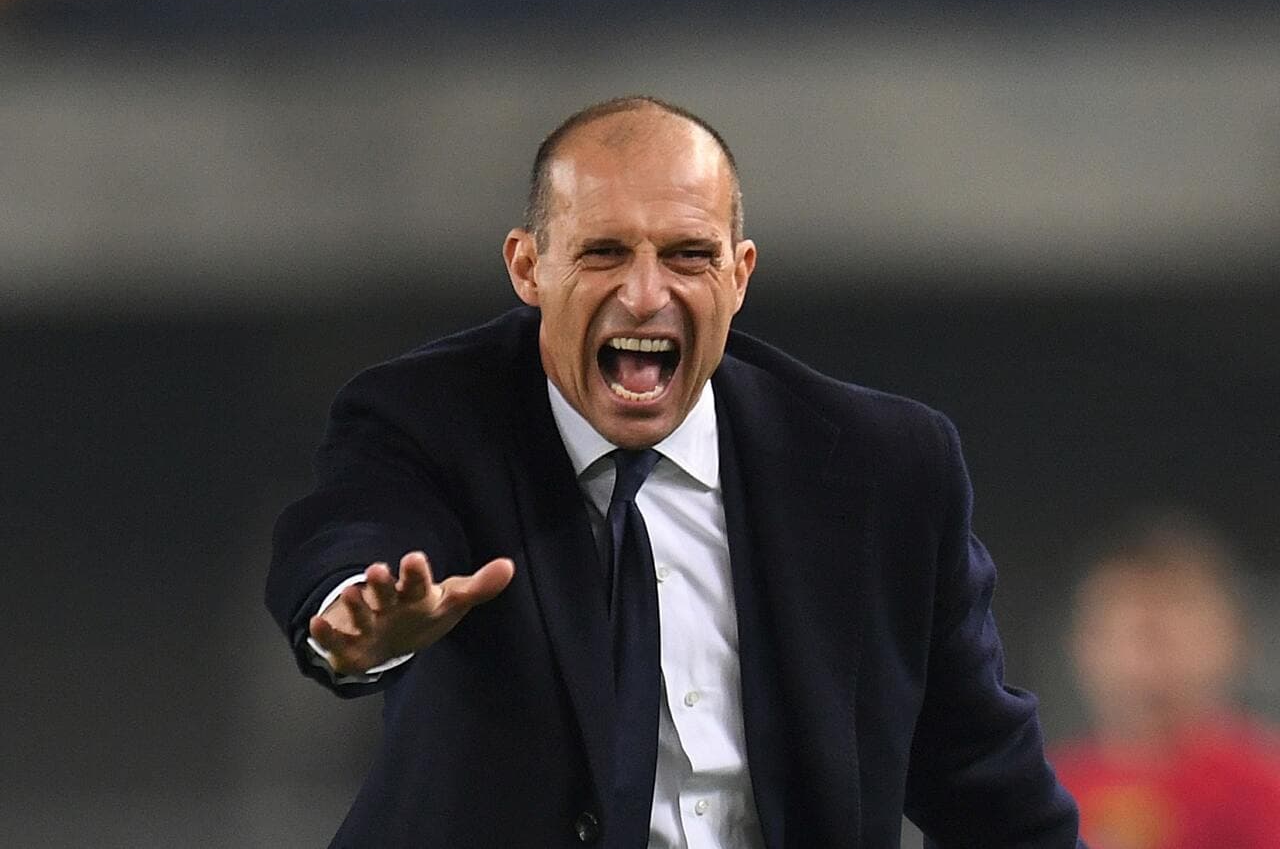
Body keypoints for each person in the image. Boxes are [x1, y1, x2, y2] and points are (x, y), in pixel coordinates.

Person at [266, 96, 1083, 847]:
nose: (645, 293)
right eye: (604, 252)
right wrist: (355, 616)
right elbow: (354, 528)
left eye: (689, 255)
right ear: (527, 267)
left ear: (740, 273)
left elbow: (988, 786)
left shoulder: (883, 467)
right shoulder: (429, 415)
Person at [1051, 511, 1280, 848]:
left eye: (1168, 634)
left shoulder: (1263, 785)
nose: (1148, 661)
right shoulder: (1045, 787)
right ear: (1081, 644)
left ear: (1233, 638)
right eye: (1131, 632)